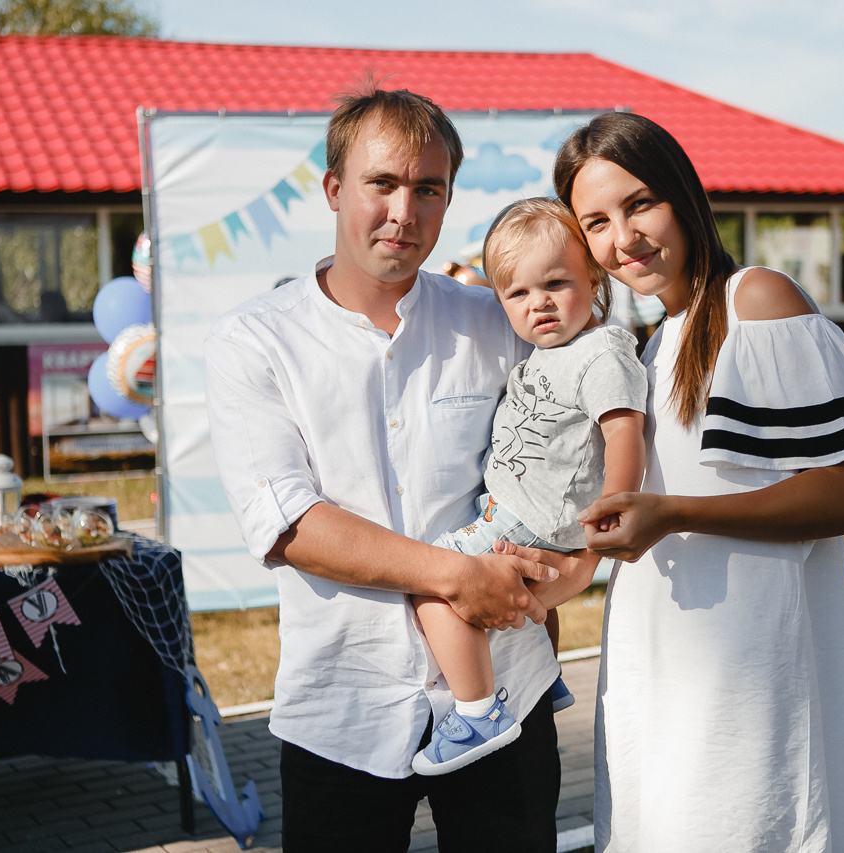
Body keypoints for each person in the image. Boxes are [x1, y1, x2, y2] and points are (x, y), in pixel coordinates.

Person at [205, 85, 596, 853]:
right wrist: (457, 577)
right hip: (343, 709)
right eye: (382, 183)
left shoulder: (496, 322)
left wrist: (575, 572)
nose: (404, 211)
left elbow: (575, 455)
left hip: (505, 694)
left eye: (428, 189)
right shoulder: (254, 341)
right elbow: (289, 523)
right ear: (333, 189)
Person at [548, 112, 844, 851]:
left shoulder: (757, 302)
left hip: (749, 682)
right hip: (661, 667)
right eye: (597, 221)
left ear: (683, 194)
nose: (625, 237)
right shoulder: (648, 347)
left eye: (640, 202)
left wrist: (674, 512)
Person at [410, 198, 646, 775]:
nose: (537, 302)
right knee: (516, 603)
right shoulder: (548, 352)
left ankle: (478, 711)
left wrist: (611, 511)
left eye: (556, 283)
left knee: (435, 589)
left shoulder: (601, 353)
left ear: (593, 280)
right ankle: (543, 683)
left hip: (533, 519)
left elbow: (624, 433)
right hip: (516, 511)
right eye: (517, 293)